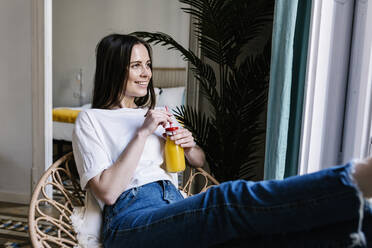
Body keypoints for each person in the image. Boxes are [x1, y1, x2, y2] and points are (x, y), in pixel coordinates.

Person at [72, 34, 372, 248]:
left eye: (148, 64)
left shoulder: (156, 113)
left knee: (272, 238)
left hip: (172, 204)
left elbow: (198, 162)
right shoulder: (91, 119)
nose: (146, 73)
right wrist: (142, 133)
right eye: (136, 65)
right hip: (131, 221)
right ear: (114, 69)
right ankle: (356, 180)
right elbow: (109, 193)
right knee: (226, 198)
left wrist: (189, 146)